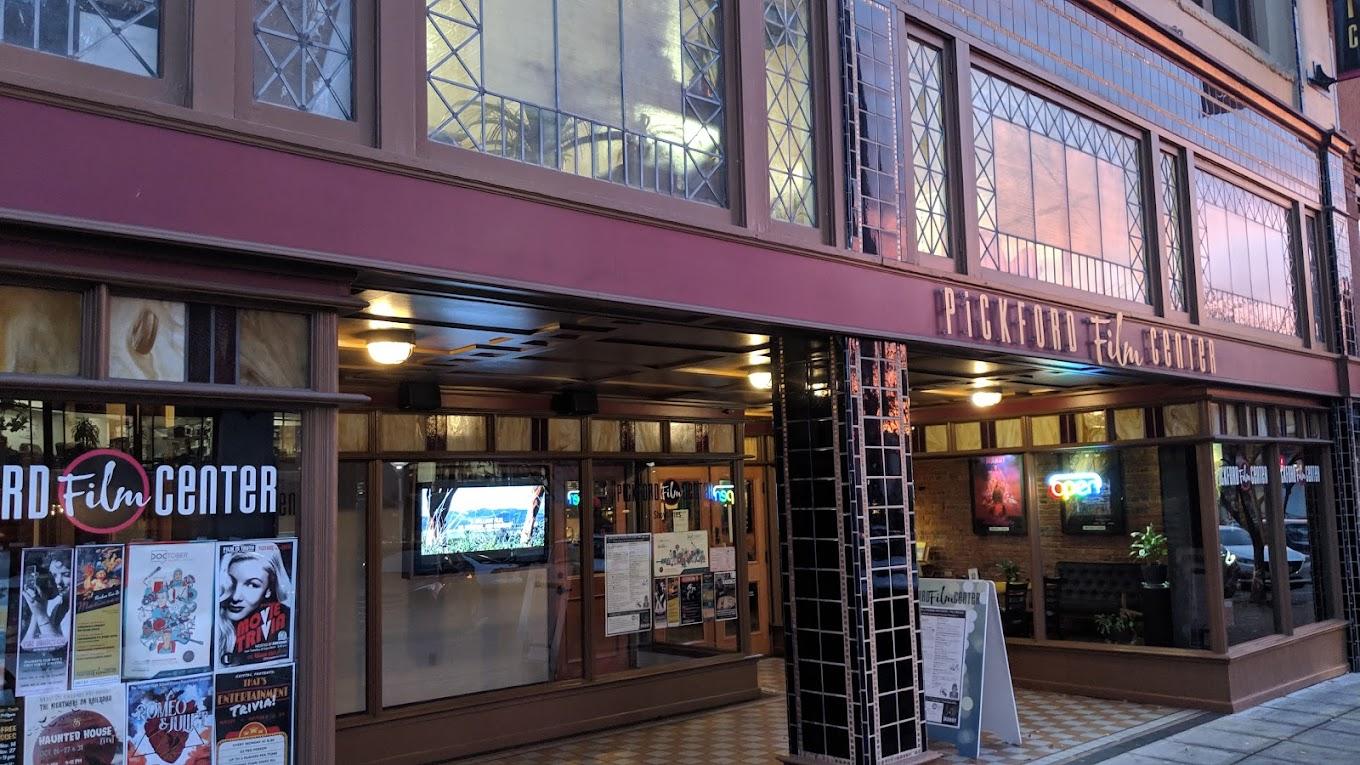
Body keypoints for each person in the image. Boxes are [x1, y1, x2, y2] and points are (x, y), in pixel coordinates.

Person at [216, 544, 293, 664]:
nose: (236, 596)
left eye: (252, 585)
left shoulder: (287, 620)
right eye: (231, 582)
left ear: (268, 590)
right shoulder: (213, 622)